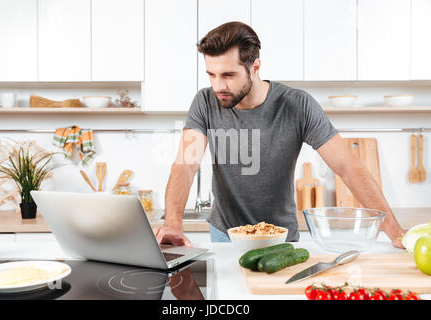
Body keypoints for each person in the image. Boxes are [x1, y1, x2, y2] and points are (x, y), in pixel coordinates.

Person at [152, 21, 405, 248]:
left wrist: (394, 231)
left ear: (255, 67)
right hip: (225, 235)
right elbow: (185, 165)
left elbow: (347, 166)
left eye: (229, 75)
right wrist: (173, 223)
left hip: (280, 236)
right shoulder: (205, 101)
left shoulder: (297, 104)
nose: (218, 86)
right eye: (212, 75)